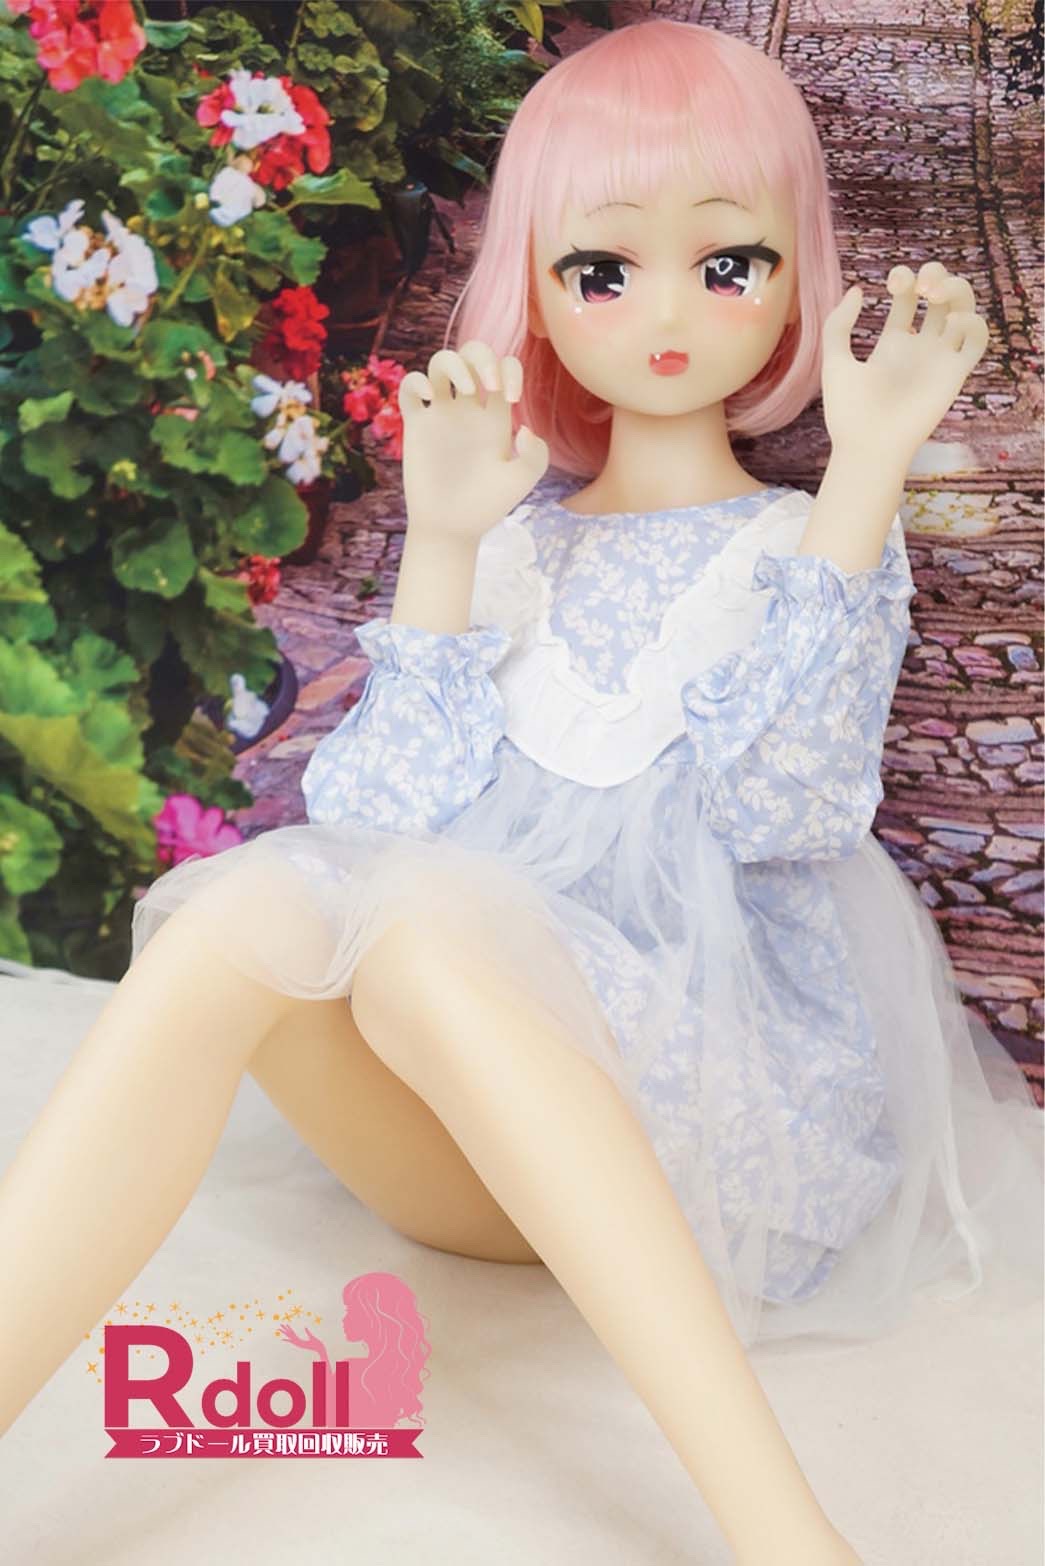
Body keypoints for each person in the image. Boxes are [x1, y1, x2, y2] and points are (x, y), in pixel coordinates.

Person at [1, 19, 1040, 1565]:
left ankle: (784, 1537)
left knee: (421, 929)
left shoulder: (798, 550)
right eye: (602, 269)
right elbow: (366, 839)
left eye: (729, 262)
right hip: (468, 1142)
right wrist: (443, 546)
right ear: (538, 291)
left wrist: (866, 469)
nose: (666, 312)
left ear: (795, 277)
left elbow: (782, 809)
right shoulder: (513, 546)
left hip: (709, 1142)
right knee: (249, 911)